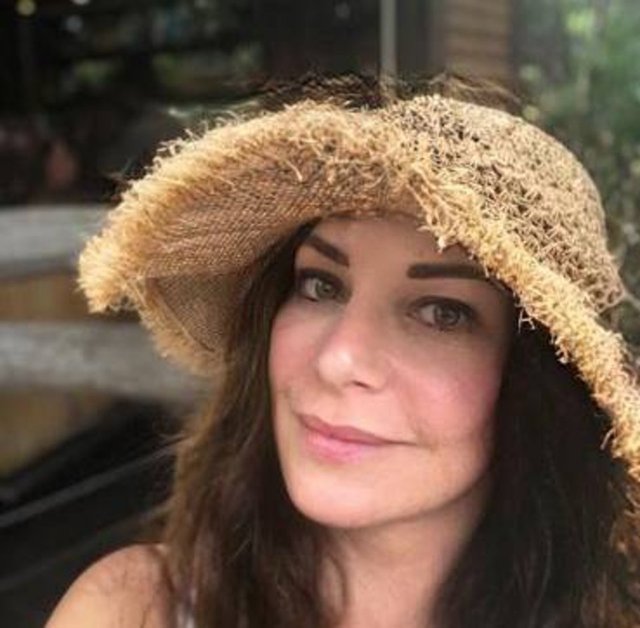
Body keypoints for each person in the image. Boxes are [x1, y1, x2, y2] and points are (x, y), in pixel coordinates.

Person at [47, 75, 640, 627]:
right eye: (320, 286)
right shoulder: (133, 611)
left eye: (442, 313)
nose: (338, 360)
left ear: (536, 384)